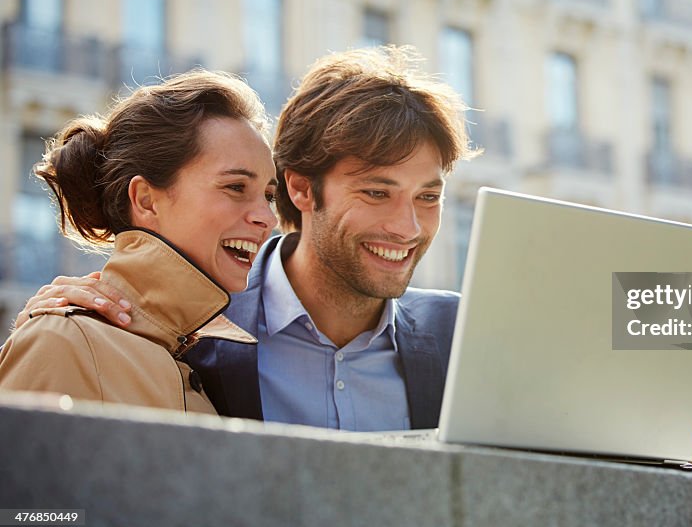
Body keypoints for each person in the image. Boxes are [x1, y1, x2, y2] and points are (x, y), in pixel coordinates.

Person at [17, 46, 476, 430]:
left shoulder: (464, 335)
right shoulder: (193, 336)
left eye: (428, 197)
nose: (409, 227)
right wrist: (57, 330)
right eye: (377, 192)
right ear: (300, 189)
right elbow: (28, 515)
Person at [0, 71, 279, 414]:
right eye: (236, 187)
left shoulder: (208, 362)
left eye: (269, 196)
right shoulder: (63, 342)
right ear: (146, 200)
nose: (268, 218)